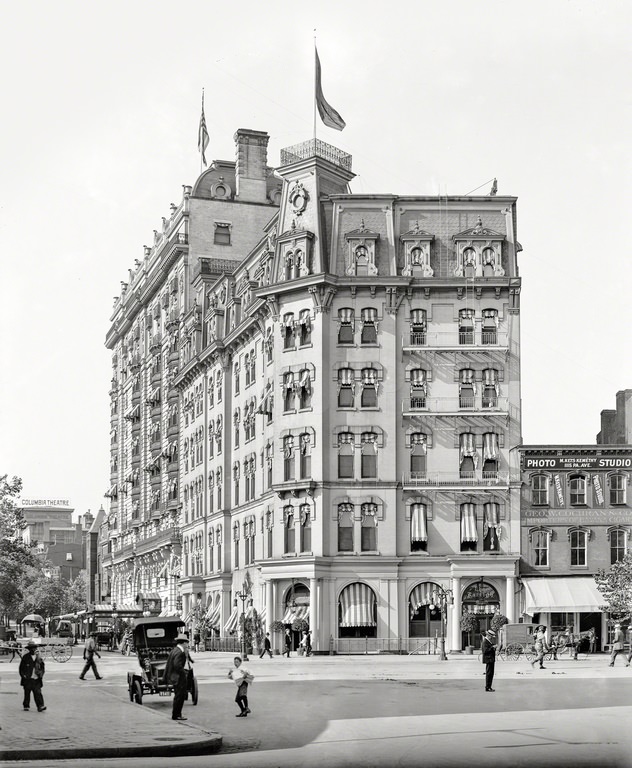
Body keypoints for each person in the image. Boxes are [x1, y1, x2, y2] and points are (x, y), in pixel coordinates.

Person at [165, 633, 190, 721]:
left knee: (177, 696)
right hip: (179, 678)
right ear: (183, 643)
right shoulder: (180, 652)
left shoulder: (174, 650)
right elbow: (177, 665)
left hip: (174, 677)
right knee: (180, 696)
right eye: (187, 642)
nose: (187, 644)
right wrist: (183, 673)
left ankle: (176, 714)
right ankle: (177, 715)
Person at [19, 641, 46, 712]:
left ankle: (40, 706)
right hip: (28, 678)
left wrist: (41, 675)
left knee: (38, 692)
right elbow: (21, 668)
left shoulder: (39, 657)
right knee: (27, 693)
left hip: (36, 678)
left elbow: (42, 667)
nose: (33, 650)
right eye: (32, 648)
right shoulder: (25, 657)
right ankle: (26, 705)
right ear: (29, 649)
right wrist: (23, 676)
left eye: (34, 648)